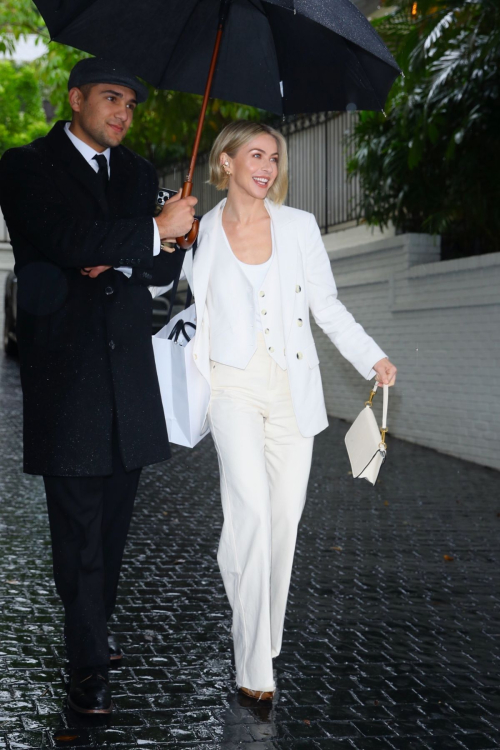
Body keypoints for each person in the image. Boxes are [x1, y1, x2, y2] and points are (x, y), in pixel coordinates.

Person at [0, 57, 197, 715]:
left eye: (132, 104)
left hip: (129, 380)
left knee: (112, 524)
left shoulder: (140, 175)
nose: (124, 113)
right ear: (76, 97)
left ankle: (94, 626)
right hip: (67, 376)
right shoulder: (26, 166)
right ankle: (86, 660)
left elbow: (157, 279)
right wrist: (142, 236)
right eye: (112, 98)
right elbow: (59, 239)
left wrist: (173, 241)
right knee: (77, 525)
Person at [184, 120, 397, 701]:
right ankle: (254, 667)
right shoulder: (199, 230)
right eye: (255, 154)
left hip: (290, 392)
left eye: (274, 157)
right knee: (251, 510)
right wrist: (164, 233)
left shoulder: (299, 227)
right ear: (225, 161)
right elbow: (176, 297)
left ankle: (261, 621)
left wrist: (370, 357)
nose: (268, 166)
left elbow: (325, 305)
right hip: (231, 389)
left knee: (281, 522)